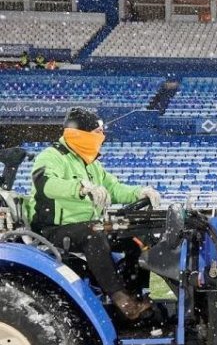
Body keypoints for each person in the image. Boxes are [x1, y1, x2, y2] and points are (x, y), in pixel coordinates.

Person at [29, 107, 162, 320]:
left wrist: (139, 192)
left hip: (87, 226)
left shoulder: (92, 165)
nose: (102, 137)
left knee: (134, 238)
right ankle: (120, 299)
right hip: (53, 229)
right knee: (93, 233)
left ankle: (135, 295)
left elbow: (115, 189)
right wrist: (80, 188)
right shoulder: (51, 157)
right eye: (98, 133)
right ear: (82, 135)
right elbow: (46, 184)